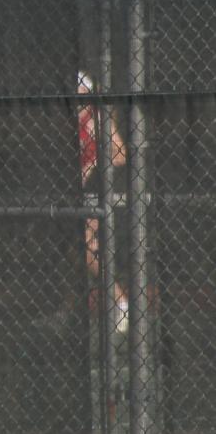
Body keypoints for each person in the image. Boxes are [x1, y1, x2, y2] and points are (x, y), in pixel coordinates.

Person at [77, 71, 128, 331]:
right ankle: (68, 312)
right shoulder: (69, 120)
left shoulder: (97, 117)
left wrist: (92, 166)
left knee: (86, 248)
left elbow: (119, 154)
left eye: (82, 92)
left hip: (95, 189)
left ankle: (120, 303)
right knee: (70, 252)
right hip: (73, 192)